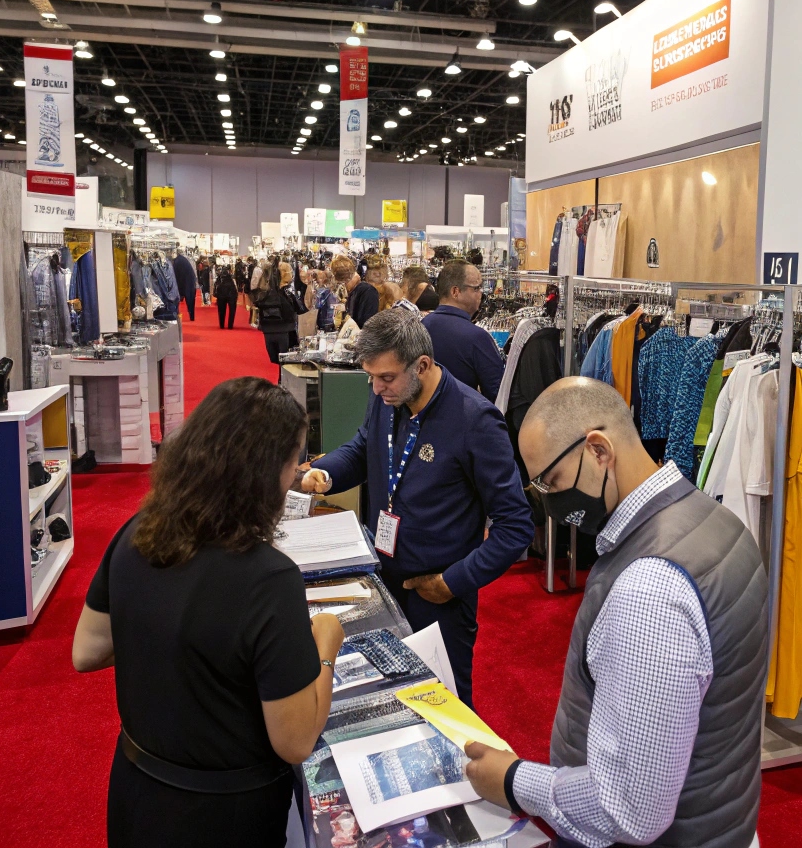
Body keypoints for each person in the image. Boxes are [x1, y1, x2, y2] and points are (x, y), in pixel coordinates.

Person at [463, 377, 768, 848]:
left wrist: (511, 781)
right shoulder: (717, 522)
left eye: (553, 481)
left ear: (598, 450)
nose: (549, 500)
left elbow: (629, 807)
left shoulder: (650, 588)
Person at [72, 377, 345, 848]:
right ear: (267, 472)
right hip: (227, 811)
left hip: (137, 790)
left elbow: (87, 650)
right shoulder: (268, 578)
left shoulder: (138, 531)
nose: (296, 474)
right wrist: (326, 646)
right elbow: (296, 740)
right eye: (292, 462)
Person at [301, 311, 534, 706]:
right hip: (382, 575)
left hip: (439, 595)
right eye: (370, 377)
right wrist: (326, 473)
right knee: (386, 697)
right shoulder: (388, 398)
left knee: (445, 707)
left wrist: (453, 582)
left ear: (422, 365)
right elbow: (364, 448)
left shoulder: (476, 420)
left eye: (386, 377)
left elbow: (516, 526)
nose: (376, 388)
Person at [422, 258, 505, 402]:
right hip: (462, 419)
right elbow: (497, 394)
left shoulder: (420, 327)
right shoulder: (477, 338)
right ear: (455, 292)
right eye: (476, 288)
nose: (481, 294)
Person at [258, 258, 309, 364]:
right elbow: (301, 310)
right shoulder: (288, 293)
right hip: (285, 330)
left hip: (268, 330)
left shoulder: (265, 291)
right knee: (286, 361)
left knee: (276, 359)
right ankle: (283, 380)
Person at [332, 254, 378, 329]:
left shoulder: (368, 291)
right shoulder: (355, 292)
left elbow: (366, 324)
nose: (344, 287)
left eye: (343, 283)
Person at [213, 264, 238, 330]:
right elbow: (235, 287)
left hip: (221, 295)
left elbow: (216, 286)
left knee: (221, 310)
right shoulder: (232, 278)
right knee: (232, 310)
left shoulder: (219, 278)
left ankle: (221, 324)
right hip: (231, 295)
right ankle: (230, 325)